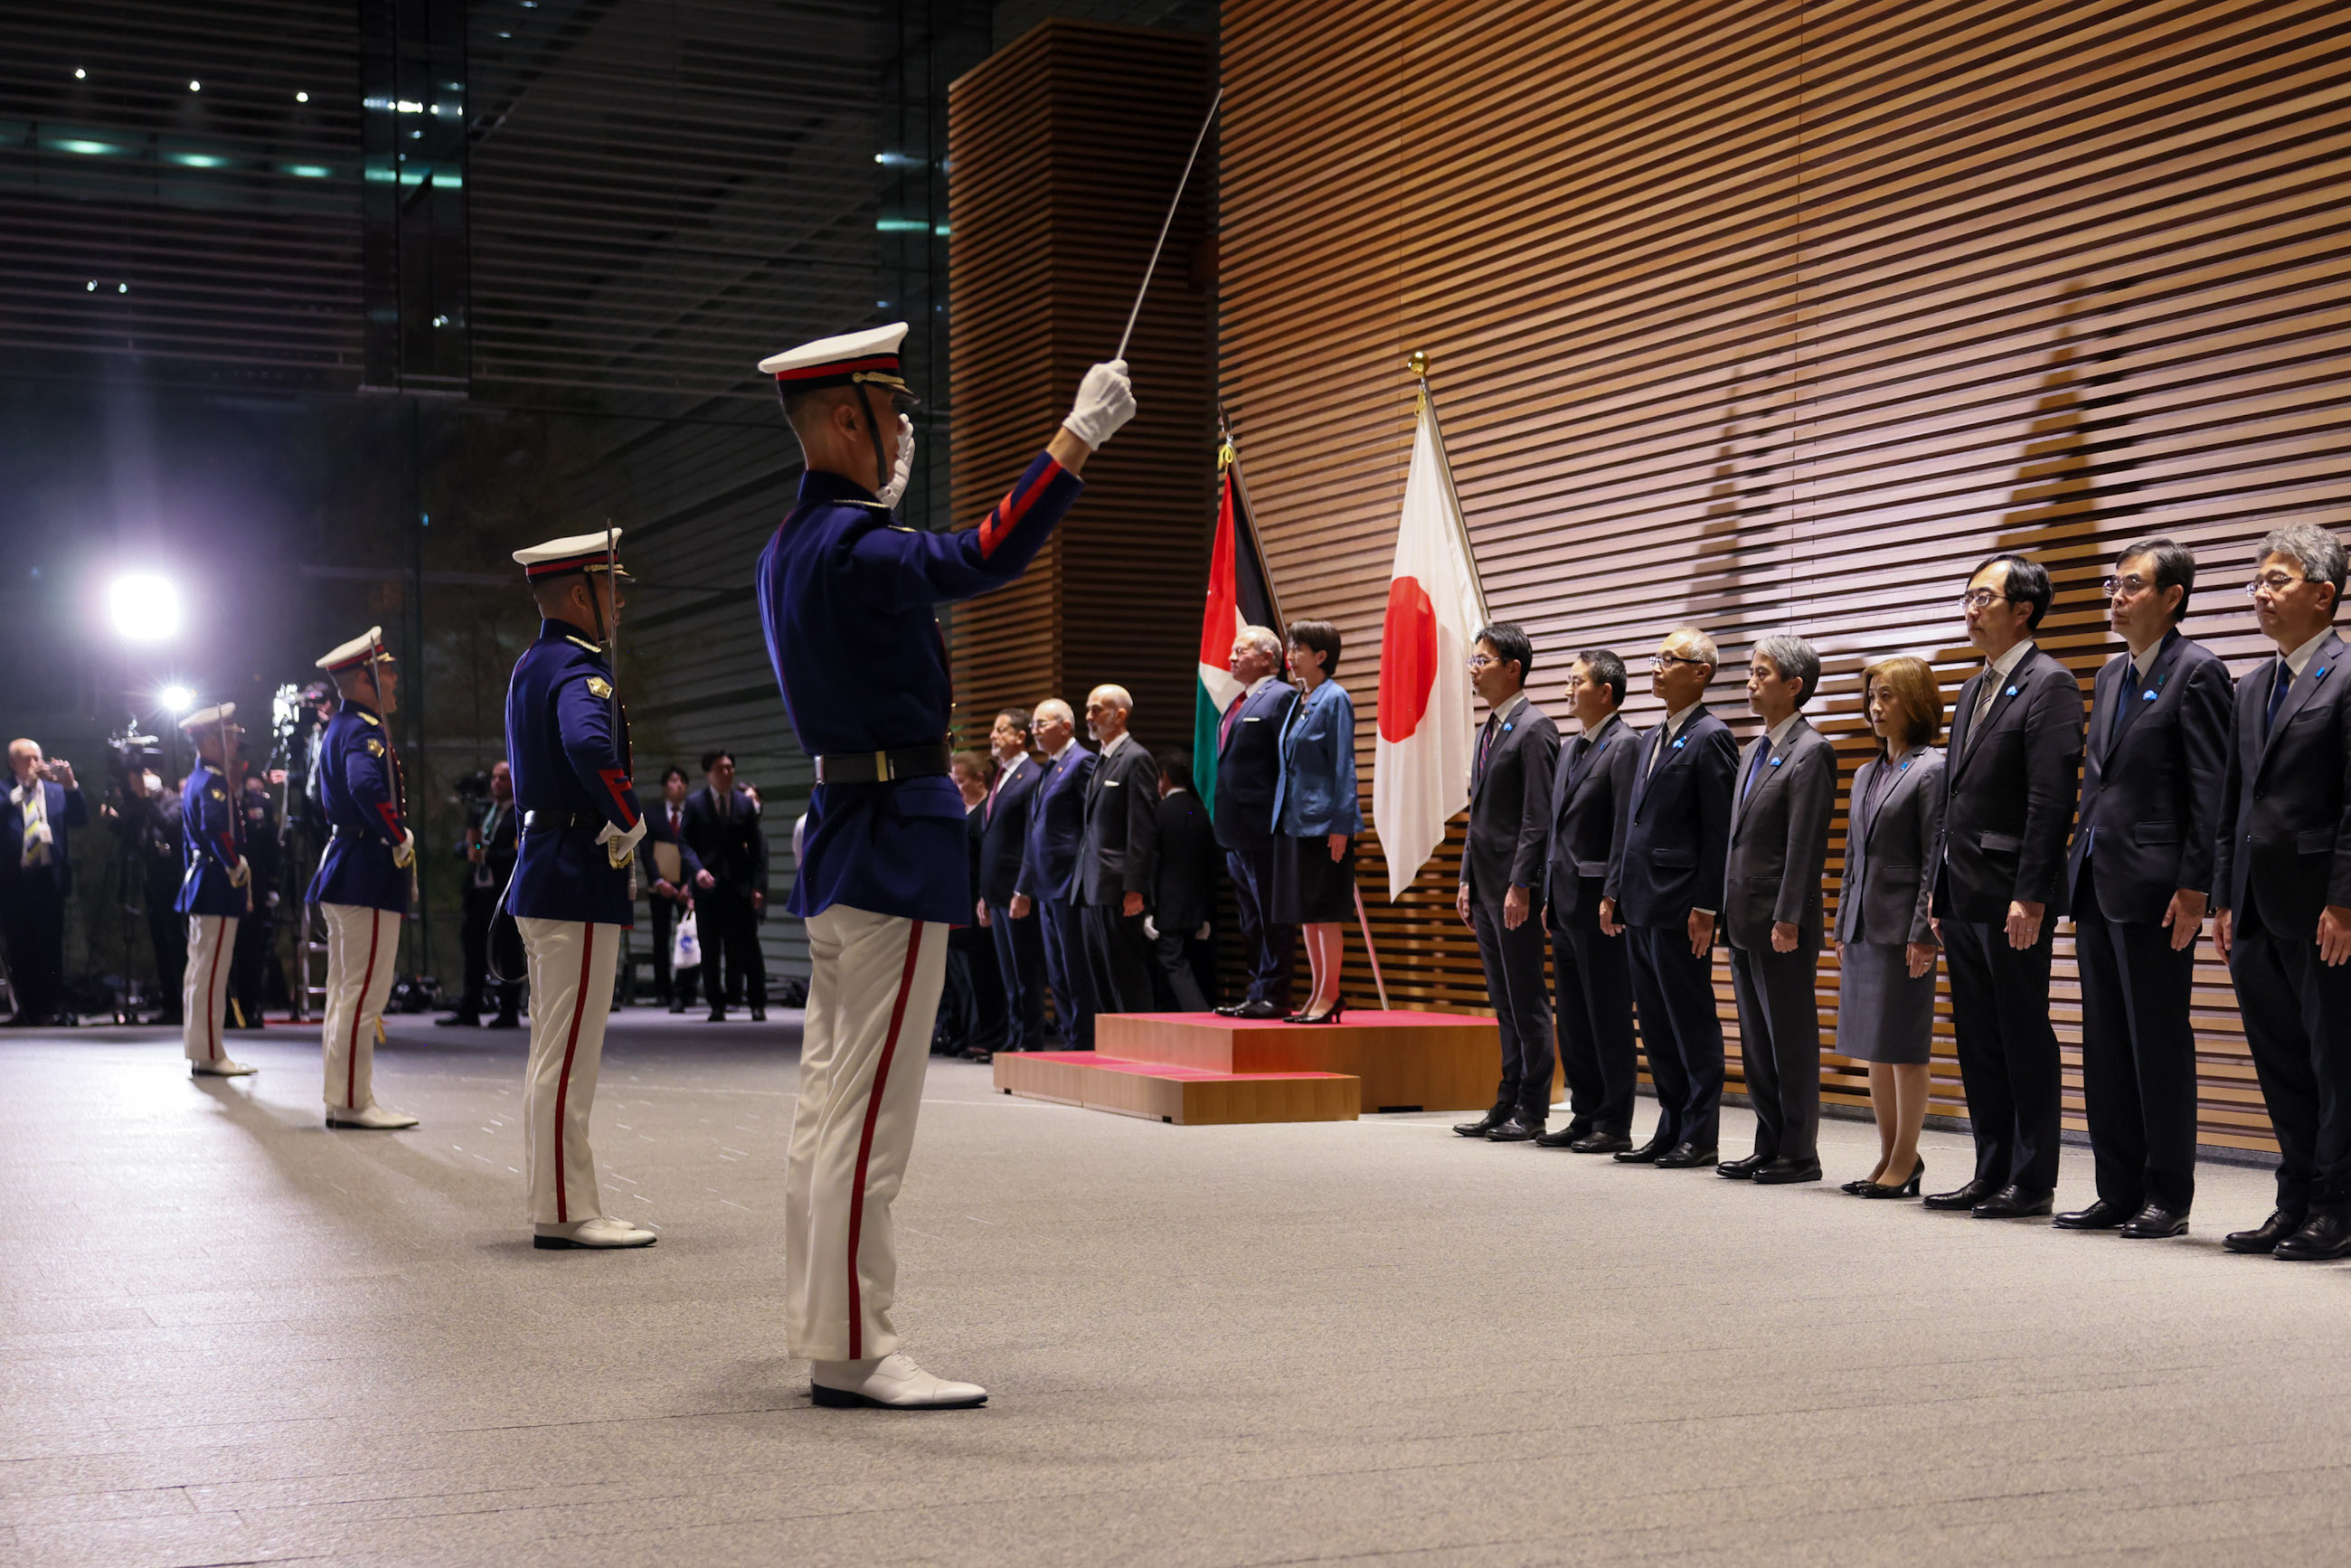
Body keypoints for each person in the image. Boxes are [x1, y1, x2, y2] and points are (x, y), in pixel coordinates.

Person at [755, 318, 1130, 1408]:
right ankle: (855, 1348)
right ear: (844, 419)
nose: (905, 426)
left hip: (844, 828)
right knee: (869, 1110)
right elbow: (985, 554)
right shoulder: (854, 543)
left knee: (830, 1103)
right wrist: (1074, 438)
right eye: (892, 408)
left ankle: (825, 1321)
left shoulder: (789, 543)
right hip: (890, 836)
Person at [2059, 539, 2232, 1239]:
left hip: (2161, 889)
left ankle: (2169, 1193)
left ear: (2172, 598)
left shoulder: (2200, 673)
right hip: (2099, 884)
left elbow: (2211, 790)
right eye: (2114, 583)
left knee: (2158, 1042)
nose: (2117, 596)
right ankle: (2118, 1187)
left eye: (2132, 585)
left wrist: (2197, 888)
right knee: (2104, 1042)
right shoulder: (2107, 676)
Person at [504, 531, 655, 1251]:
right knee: (567, 1058)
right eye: (609, 587)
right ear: (576, 595)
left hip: (546, 863)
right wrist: (629, 815)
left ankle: (560, 1198)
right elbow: (589, 745)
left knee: (551, 1052)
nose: (619, 601)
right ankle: (565, 1212)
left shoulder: (532, 663)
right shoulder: (577, 667)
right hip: (575, 870)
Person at [1925, 554, 2083, 1219]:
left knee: (2021, 1031)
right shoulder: (1972, 688)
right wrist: (1937, 889)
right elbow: (1954, 798)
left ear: (2023, 609)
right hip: (1962, 889)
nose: (1970, 608)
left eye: (1983, 597)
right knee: (1977, 1034)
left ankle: (2032, 1176)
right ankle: (1990, 1167)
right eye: (1967, 596)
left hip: (2012, 892)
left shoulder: (2051, 685)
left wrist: (2033, 893)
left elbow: (2050, 801)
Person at [2214, 525, 2351, 1261]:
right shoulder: (2251, 686)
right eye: (2256, 582)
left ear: (2323, 594)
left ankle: (2336, 1206)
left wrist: (2345, 901)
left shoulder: (2348, 674)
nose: (2260, 594)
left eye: (2277, 580)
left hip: (2323, 907)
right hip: (2256, 906)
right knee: (2280, 1062)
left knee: (2336, 1064)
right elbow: (2233, 804)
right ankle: (2293, 1198)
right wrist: (2223, 899)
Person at [1602, 627, 1736, 1167]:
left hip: (1682, 904)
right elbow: (1630, 823)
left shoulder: (1711, 736)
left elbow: (1717, 830)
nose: (1655, 668)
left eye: (1668, 660)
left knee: (1690, 1019)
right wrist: (1614, 888)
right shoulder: (1653, 736)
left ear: (1700, 672)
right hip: (1640, 899)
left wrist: (1707, 906)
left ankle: (1700, 1134)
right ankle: (1669, 1124)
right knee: (1654, 1021)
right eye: (1655, 659)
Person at [1718, 634, 1836, 1185]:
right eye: (1751, 672)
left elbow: (1804, 844)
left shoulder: (1812, 751)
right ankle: (1769, 1143)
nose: (1750, 681)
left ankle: (1799, 1151)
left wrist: (1789, 915)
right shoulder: (1753, 751)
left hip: (1780, 921)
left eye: (1762, 674)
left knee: (1789, 1039)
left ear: (1794, 686)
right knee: (1756, 1041)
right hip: (1743, 917)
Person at [1833, 657, 1946, 1199]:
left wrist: (1924, 930)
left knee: (1905, 1046)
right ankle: (1887, 1155)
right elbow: (1854, 855)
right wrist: (1840, 921)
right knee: (1874, 1046)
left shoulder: (1932, 768)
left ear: (1916, 702)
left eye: (1888, 697)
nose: (1875, 708)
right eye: (1872, 697)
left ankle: (1906, 1159)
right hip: (1862, 922)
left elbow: (1934, 857)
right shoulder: (1865, 772)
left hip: (1905, 927)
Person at [306, 631, 420, 1130]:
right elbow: (367, 787)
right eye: (386, 670)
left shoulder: (343, 726)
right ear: (362, 679)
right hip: (366, 872)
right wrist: (398, 835)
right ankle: (353, 1103)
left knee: (347, 990)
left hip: (349, 868)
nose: (394, 677)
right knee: (363, 993)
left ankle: (344, 1097)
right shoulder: (362, 728)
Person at [1451, 623, 1561, 1139]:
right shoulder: (1487, 729)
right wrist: (1466, 880)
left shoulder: (1537, 728)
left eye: (1482, 660)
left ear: (1512, 668)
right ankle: (1507, 1097)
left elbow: (1539, 817)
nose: (1474, 668)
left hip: (1516, 888)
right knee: (1502, 998)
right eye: (1473, 660)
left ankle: (1533, 1108)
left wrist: (1522, 884)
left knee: (1526, 996)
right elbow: (1479, 817)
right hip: (1486, 883)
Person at [1535, 649, 1640, 1153]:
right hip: (1564, 901)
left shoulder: (1626, 746)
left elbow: (1625, 828)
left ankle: (1613, 1120)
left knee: (1608, 1014)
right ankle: (1583, 1112)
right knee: (1574, 1017)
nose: (1568, 690)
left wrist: (1614, 893)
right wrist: (1546, 891)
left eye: (1577, 682)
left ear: (1606, 692)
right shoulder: (1570, 746)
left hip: (1600, 904)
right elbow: (1557, 829)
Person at [1273, 619, 1364, 1026]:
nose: (1290, 657)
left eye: (1299, 650)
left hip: (1326, 823)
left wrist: (1342, 824)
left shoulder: (1335, 699)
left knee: (1325, 911)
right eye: (1290, 649)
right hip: (1295, 821)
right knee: (1306, 912)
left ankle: (1331, 994)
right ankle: (1315, 993)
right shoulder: (1301, 700)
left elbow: (1344, 766)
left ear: (1321, 657)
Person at [1212, 626, 1298, 1018]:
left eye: (1240, 650)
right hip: (1235, 831)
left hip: (1264, 828)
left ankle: (1276, 993)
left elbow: (1288, 763)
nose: (1231, 657)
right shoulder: (1237, 703)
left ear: (1268, 657)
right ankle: (1257, 989)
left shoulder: (1281, 697)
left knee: (1270, 915)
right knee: (1251, 919)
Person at [1011, 698, 1096, 1048]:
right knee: (1057, 969)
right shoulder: (1048, 767)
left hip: (1069, 882)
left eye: (1042, 724)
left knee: (1075, 966)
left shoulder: (1083, 762)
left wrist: (1081, 875)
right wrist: (1024, 886)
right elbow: (1036, 833)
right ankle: (1069, 1036)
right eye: (1033, 725)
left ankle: (1084, 1038)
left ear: (1066, 726)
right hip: (1046, 884)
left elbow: (1092, 825)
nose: (1035, 731)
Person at [175, 707, 254, 1072]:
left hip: (204, 881)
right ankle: (209, 1054)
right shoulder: (213, 782)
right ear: (209, 742)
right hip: (216, 883)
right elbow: (216, 829)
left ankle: (203, 1049)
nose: (235, 742)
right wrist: (234, 863)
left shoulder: (199, 778)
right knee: (211, 973)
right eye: (228, 736)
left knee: (202, 971)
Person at [1079, 685, 1159, 1015]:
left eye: (1096, 709)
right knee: (1102, 978)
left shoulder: (1136, 758)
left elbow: (1142, 831)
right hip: (1093, 885)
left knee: (1126, 976)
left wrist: (1135, 888)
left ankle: (1138, 1049)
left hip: (1117, 888)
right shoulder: (1103, 759)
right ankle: (1111, 1053)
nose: (1089, 716)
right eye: (1088, 708)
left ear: (1120, 715)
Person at [2, 739, 89, 1026]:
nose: (35, 764)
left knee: (50, 944)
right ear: (13, 762)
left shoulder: (54, 792)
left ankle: (50, 1008)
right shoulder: (6, 791)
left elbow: (80, 819)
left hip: (49, 877)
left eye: (38, 757)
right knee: (21, 946)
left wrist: (71, 785)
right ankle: (26, 1009)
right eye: (27, 759)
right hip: (17, 881)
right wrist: (25, 786)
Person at [975, 709, 1048, 1051]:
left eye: (1001, 730)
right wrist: (984, 895)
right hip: (997, 891)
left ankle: (1029, 1042)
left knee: (1025, 973)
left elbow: (1031, 839)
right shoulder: (1002, 775)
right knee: (1009, 976)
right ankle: (1014, 1038)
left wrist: (1024, 888)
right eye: (994, 729)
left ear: (1021, 737)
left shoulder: (1032, 776)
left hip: (1018, 891)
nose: (993, 736)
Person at [682, 750, 770, 1022]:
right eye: (721, 768)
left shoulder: (744, 804)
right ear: (709, 773)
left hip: (739, 886)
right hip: (708, 888)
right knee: (710, 948)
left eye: (730, 768)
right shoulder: (695, 804)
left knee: (748, 947)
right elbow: (684, 844)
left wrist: (758, 886)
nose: (728, 773)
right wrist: (697, 872)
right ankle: (716, 1004)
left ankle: (757, 1003)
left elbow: (757, 848)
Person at [441, 760, 522, 1028]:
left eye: (504, 778)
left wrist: (486, 855)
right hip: (478, 891)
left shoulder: (521, 814)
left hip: (503, 891)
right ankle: (469, 1008)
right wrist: (470, 850)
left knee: (508, 951)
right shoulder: (485, 811)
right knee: (473, 950)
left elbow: (518, 855)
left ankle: (509, 1011)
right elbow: (467, 845)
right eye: (495, 778)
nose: (497, 783)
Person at [937, 750, 1006, 1060]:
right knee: (960, 978)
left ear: (980, 778)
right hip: (956, 902)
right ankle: (962, 1032)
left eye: (960, 780)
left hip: (977, 901)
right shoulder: (961, 810)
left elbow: (988, 861)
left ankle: (986, 1035)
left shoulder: (988, 810)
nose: (956, 785)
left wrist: (984, 897)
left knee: (982, 974)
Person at [109, 764, 185, 1025]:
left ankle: (183, 1004)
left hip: (173, 884)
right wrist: (116, 822)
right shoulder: (146, 805)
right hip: (152, 882)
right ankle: (171, 1004)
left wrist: (146, 802)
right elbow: (135, 837)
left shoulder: (176, 803)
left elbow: (169, 826)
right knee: (161, 947)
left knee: (176, 945)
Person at [1149, 748, 1218, 1011]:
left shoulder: (1158, 812)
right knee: (1194, 962)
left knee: (1170, 959)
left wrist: (1149, 907)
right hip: (1199, 905)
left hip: (1167, 905)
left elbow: (1152, 862)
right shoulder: (1202, 813)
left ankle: (1200, 1014)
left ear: (1163, 777)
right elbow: (1210, 864)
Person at [643, 765, 703, 1013]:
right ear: (664, 786)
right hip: (662, 885)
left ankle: (687, 989)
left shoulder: (694, 813)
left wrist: (690, 884)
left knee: (689, 936)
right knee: (660, 939)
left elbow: (697, 848)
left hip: (687, 885)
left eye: (682, 781)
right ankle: (662, 990)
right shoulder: (653, 814)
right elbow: (646, 852)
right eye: (673, 781)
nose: (677, 785)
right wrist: (658, 880)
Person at [227, 771, 283, 1027]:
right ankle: (228, 1010)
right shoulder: (220, 797)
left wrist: (273, 883)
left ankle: (251, 1006)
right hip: (226, 882)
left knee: (253, 948)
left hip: (255, 884)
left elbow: (271, 846)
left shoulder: (259, 803)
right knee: (228, 948)